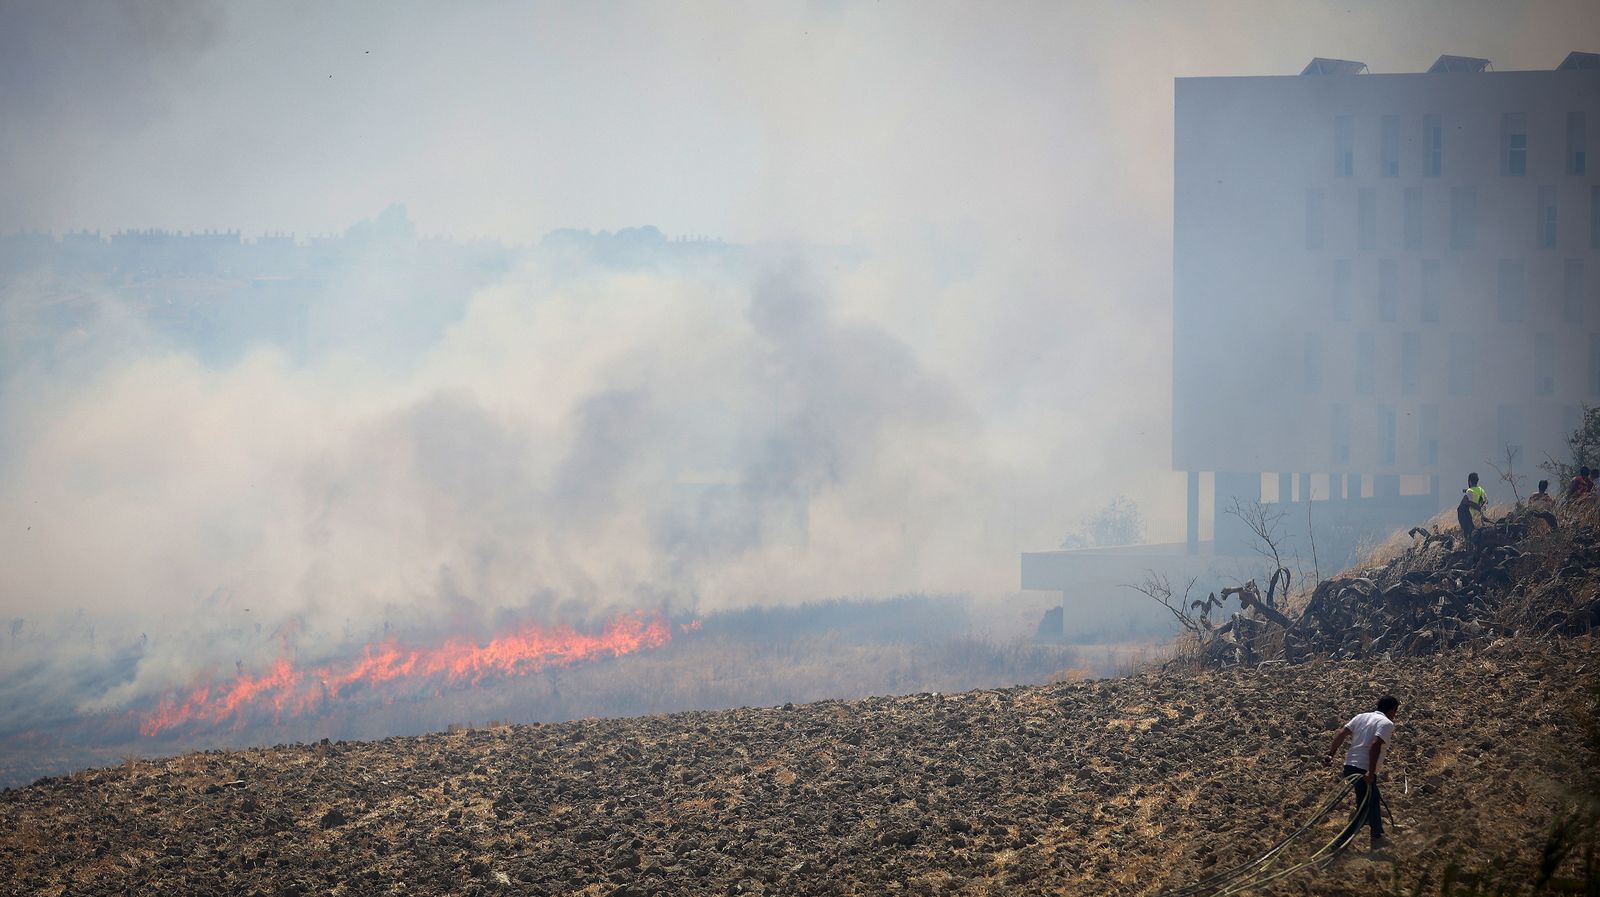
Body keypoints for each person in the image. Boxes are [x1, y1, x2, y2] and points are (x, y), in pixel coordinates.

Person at [1325, 695, 1399, 851]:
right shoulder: (1386, 723)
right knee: (1365, 806)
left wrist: (1330, 754)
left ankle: (1376, 834)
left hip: (1349, 767)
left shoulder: (1361, 717)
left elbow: (1341, 733)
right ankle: (1340, 843)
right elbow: (1375, 745)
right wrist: (1370, 773)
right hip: (1363, 770)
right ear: (1392, 710)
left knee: (1371, 800)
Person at [1457, 472, 1486, 539]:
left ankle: (1468, 543)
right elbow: (1468, 502)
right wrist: (1479, 508)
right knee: (1469, 530)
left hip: (1464, 512)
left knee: (1470, 530)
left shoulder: (1472, 491)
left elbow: (1467, 502)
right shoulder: (1478, 491)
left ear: (1469, 481)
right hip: (1464, 512)